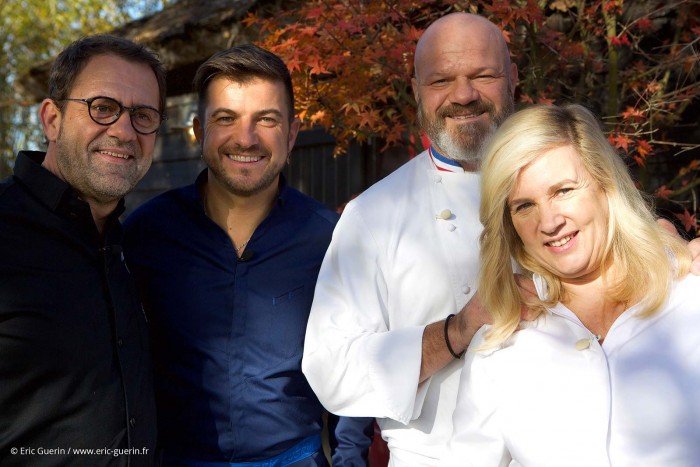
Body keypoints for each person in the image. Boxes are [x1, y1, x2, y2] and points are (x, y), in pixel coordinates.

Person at [301, 12, 700, 466]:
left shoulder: (565, 158)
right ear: (416, 91)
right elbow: (329, 368)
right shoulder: (372, 217)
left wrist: (668, 246)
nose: (463, 94)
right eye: (441, 80)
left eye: (482, 75)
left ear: (512, 78)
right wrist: (456, 331)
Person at [123, 44, 373, 466]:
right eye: (226, 119)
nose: (246, 138)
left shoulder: (331, 240)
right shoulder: (145, 236)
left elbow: (358, 361)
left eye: (267, 120)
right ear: (198, 133)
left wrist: (349, 460)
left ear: (291, 134)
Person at [447, 103, 700, 466]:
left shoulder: (689, 295)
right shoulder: (500, 344)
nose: (549, 222)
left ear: (605, 184)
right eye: (524, 206)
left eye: (563, 190)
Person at [0, 35, 166, 466]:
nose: (125, 131)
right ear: (51, 119)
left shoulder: (132, 248)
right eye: (102, 107)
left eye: (143, 115)